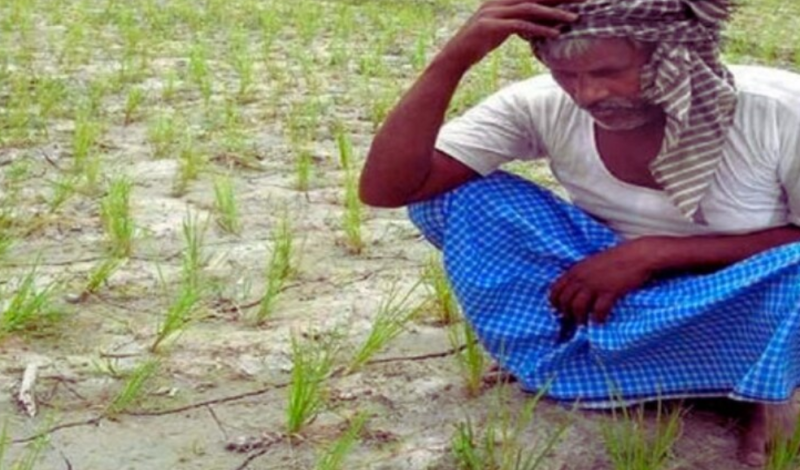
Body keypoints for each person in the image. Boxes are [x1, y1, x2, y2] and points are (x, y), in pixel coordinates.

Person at [359, 0, 800, 466]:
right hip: (606, 290)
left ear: (675, 53)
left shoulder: (778, 112)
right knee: (454, 197)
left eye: (610, 71)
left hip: (747, 291)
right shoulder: (539, 105)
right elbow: (389, 189)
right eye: (566, 75)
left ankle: (770, 387)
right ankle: (634, 365)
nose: (588, 94)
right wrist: (455, 57)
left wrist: (656, 253)